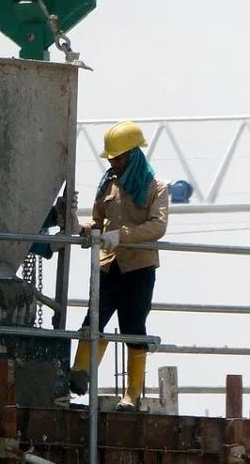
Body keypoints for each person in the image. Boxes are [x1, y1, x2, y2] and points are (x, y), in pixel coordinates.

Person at [66, 120, 169, 411]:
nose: (114, 162)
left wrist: (120, 236)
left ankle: (132, 395)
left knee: (133, 327)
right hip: (109, 266)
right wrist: (83, 229)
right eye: (112, 158)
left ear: (134, 155)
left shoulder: (156, 188)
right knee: (93, 320)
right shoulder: (108, 185)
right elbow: (98, 223)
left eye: (119, 157)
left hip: (139, 268)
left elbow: (157, 227)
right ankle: (79, 376)